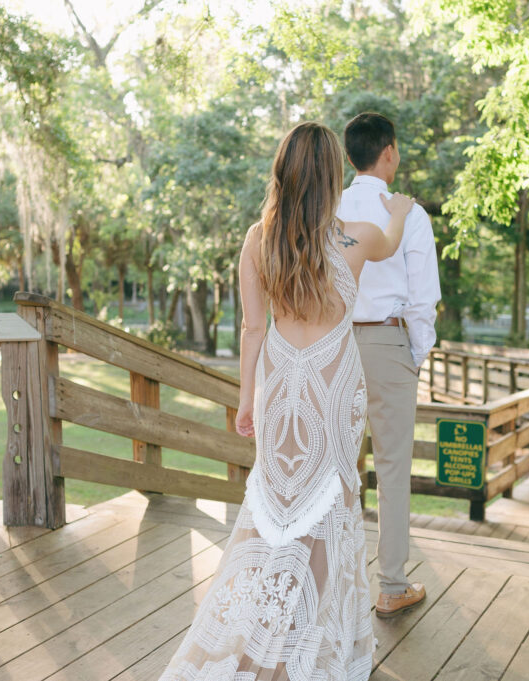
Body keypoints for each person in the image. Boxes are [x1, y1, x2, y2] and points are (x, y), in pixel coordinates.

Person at [159, 121, 416, 680]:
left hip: (280, 388)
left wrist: (246, 398)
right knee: (329, 510)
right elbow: (394, 241)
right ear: (330, 177)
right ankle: (304, 645)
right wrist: (399, 205)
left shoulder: (259, 238)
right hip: (332, 391)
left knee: (272, 513)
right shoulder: (355, 236)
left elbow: (253, 329)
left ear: (283, 173)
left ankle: (264, 639)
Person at [336, 112, 441, 619]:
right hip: (387, 343)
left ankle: (330, 579)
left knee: (334, 465)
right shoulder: (408, 213)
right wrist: (413, 355)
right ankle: (392, 585)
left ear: (349, 155)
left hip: (333, 346)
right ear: (390, 152)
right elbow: (423, 300)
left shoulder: (327, 209)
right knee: (393, 468)